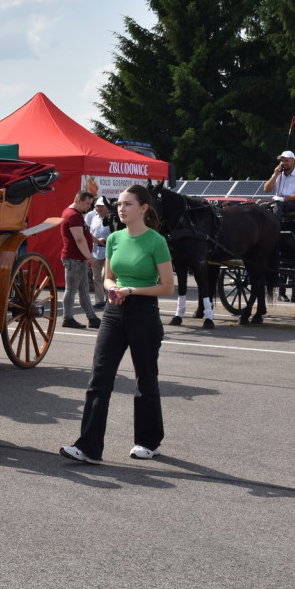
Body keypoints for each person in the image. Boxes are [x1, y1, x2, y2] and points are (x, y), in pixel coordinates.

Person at [60, 184, 173, 464]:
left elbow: (167, 287)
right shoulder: (114, 238)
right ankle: (88, 447)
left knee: (145, 379)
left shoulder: (156, 241)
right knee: (99, 378)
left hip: (144, 312)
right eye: (119, 204)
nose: (120, 208)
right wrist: (112, 288)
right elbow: (108, 277)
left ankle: (149, 442)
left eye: (128, 204)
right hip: (114, 311)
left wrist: (131, 291)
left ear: (144, 209)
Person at [60, 190, 100, 329]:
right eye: (87, 203)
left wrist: (96, 241)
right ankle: (68, 318)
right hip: (74, 258)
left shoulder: (74, 214)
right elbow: (79, 238)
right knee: (71, 289)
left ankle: (92, 318)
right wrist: (89, 257)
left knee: (83, 290)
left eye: (90, 203)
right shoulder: (73, 216)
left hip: (78, 258)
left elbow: (84, 234)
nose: (89, 206)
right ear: (78, 200)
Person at [263, 150, 295, 222]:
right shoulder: (278, 173)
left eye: (286, 160)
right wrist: (275, 175)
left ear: (293, 161)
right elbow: (266, 189)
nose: (284, 163)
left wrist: (282, 199)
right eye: (282, 161)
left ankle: (276, 227)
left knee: (279, 205)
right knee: (263, 206)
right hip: (280, 203)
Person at [85, 197, 111, 309]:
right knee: (96, 278)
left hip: (109, 252)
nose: (99, 208)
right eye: (97, 206)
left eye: (101, 206)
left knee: (107, 276)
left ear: (107, 207)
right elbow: (89, 233)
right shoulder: (93, 218)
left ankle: (109, 300)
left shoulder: (111, 218)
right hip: (96, 252)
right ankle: (99, 301)